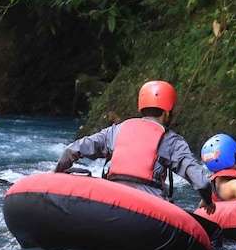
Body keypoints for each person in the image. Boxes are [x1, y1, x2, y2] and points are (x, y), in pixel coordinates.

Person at [55, 80, 216, 214]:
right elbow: (202, 183)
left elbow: (71, 150)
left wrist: (58, 175)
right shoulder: (173, 141)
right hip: (149, 211)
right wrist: (208, 201)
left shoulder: (116, 130)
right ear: (167, 113)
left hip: (109, 204)